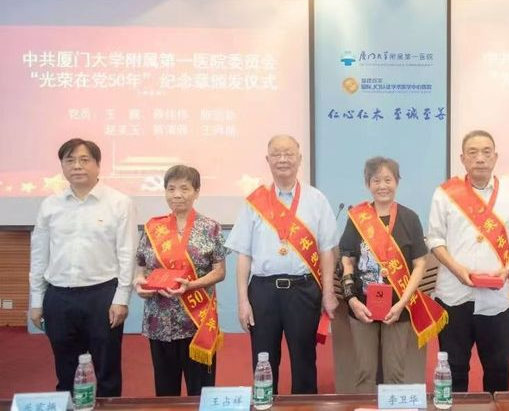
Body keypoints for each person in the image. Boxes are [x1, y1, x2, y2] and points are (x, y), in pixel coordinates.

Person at [225, 134, 338, 394]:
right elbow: (244, 255)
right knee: (263, 360)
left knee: (304, 360)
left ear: (299, 159)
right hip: (263, 291)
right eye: (276, 154)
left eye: (288, 154)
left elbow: (326, 251)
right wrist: (243, 301)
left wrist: (328, 292)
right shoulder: (255, 201)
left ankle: (305, 407)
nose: (283, 159)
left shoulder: (316, 199)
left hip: (303, 290)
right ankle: (265, 404)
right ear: (268, 160)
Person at [29, 138, 137, 396]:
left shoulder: (119, 202)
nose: (77, 166)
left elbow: (127, 253)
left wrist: (122, 299)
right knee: (65, 370)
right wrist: (37, 300)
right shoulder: (50, 205)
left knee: (107, 371)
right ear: (62, 166)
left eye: (84, 160)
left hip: (102, 296)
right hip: (58, 296)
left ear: (98, 165)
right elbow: (39, 255)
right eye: (70, 160)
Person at [426, 130, 509, 393]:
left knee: (498, 369)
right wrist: (456, 269)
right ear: (462, 158)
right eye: (473, 153)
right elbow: (435, 239)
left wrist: (507, 269)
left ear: (495, 157)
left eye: (486, 152)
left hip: (498, 298)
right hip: (453, 294)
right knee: (454, 368)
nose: (480, 158)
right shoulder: (445, 193)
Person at [339, 157, 447, 393]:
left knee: (395, 373)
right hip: (362, 306)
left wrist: (402, 303)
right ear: (368, 184)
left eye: (388, 180)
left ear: (397, 182)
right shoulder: (357, 217)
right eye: (376, 180)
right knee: (364, 373)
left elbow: (420, 264)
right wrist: (352, 299)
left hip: (399, 306)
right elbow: (347, 260)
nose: (382, 186)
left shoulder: (410, 218)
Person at [133, 165, 226, 396]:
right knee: (165, 392)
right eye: (171, 188)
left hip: (197, 321)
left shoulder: (210, 228)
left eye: (185, 188)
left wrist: (191, 285)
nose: (177, 194)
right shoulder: (152, 227)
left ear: (197, 192)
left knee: (201, 391)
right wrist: (139, 284)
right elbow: (141, 268)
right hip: (160, 320)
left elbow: (219, 271)